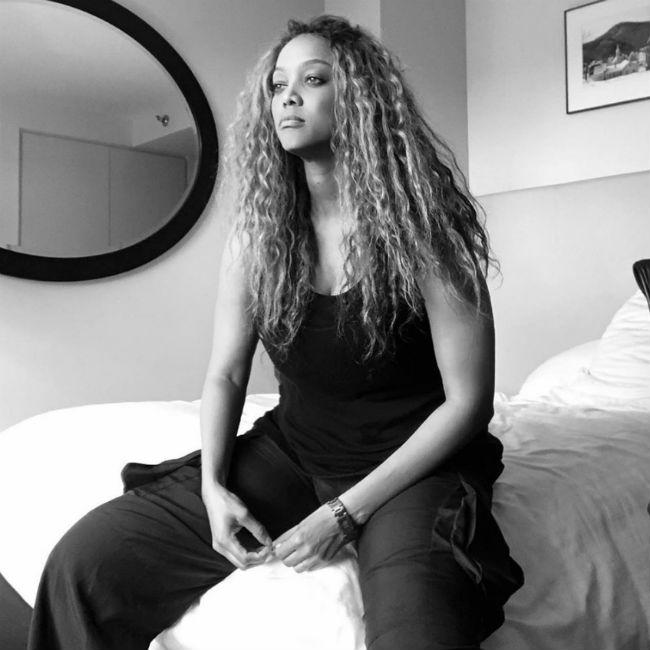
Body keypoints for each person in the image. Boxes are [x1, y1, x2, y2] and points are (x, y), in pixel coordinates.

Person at [27, 15, 524, 650]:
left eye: (313, 80)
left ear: (362, 99)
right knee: (85, 564)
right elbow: (226, 372)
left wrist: (344, 512)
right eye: (277, 84)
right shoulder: (259, 237)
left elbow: (468, 404)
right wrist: (212, 487)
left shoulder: (425, 234)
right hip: (294, 450)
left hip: (412, 469)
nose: (287, 97)